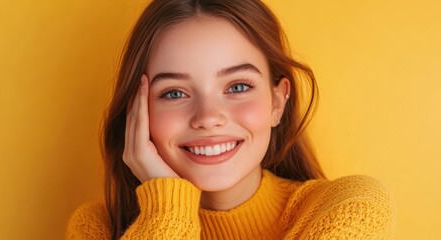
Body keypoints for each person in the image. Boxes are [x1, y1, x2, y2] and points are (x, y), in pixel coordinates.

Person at [67, 0, 396, 239]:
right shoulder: (96, 229)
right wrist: (164, 211)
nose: (208, 118)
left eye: (238, 86)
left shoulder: (353, 207)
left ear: (278, 102)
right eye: (174, 93)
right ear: (139, 112)